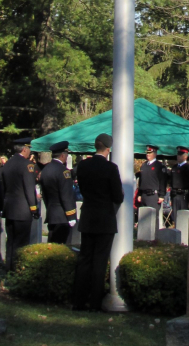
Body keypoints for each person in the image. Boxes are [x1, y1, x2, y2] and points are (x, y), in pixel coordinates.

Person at [73, 133, 123, 311]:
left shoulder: (83, 166)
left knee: (85, 259)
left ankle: (78, 301)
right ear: (108, 149)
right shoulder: (111, 168)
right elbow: (118, 196)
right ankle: (95, 303)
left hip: (88, 216)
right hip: (104, 218)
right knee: (100, 261)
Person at [0, 137, 39, 271]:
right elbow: (29, 189)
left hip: (9, 208)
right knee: (21, 243)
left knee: (11, 241)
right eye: (29, 149)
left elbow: (3, 187)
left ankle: (9, 267)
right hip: (22, 210)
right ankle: (18, 269)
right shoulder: (27, 165)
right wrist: (34, 209)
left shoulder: (8, 164)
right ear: (24, 149)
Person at [39, 141, 78, 244]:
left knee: (52, 247)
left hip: (52, 214)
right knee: (63, 248)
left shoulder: (46, 170)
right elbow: (66, 196)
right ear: (62, 155)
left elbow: (45, 195)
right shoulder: (63, 172)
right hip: (63, 217)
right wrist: (71, 216)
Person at [167, 146, 189, 224]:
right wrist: (171, 198)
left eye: (181, 155)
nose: (178, 156)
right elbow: (171, 184)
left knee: (184, 219)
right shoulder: (174, 168)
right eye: (178, 154)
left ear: (185, 156)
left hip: (185, 196)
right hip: (175, 196)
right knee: (176, 218)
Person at [136, 145, 167, 217]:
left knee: (153, 218)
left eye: (150, 153)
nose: (148, 154)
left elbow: (163, 181)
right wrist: (139, 194)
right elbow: (141, 180)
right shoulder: (144, 165)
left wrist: (161, 195)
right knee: (143, 217)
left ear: (155, 154)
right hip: (144, 195)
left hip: (153, 196)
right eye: (147, 153)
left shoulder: (159, 166)